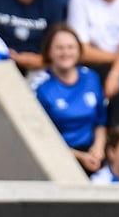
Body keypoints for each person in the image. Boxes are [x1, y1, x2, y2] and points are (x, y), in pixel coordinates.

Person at [31, 23, 107, 174]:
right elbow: (41, 137)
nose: (65, 52)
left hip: (92, 156)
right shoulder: (40, 86)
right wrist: (79, 157)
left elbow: (101, 122)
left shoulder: (91, 77)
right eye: (59, 48)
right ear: (49, 52)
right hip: (57, 158)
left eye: (70, 47)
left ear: (79, 50)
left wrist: (98, 148)